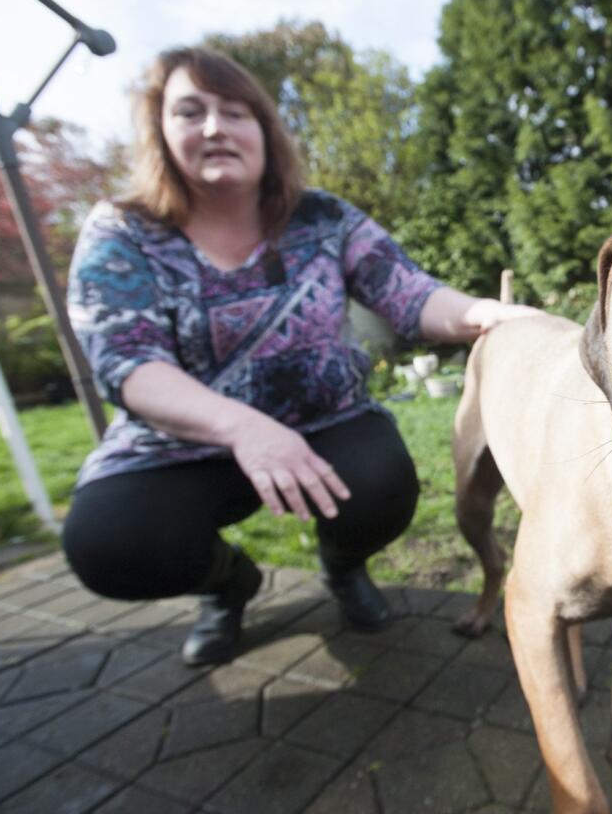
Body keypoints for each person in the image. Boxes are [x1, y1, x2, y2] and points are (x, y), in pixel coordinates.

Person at [61, 46, 537, 666]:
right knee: (109, 543)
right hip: (183, 442)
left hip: (325, 421)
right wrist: (243, 428)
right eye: (190, 111)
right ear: (160, 130)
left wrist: (482, 314)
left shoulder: (322, 217)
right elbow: (126, 363)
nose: (214, 127)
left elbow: (406, 290)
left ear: (263, 129)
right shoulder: (122, 233)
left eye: (235, 112)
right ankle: (229, 585)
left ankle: (341, 569)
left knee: (384, 484)